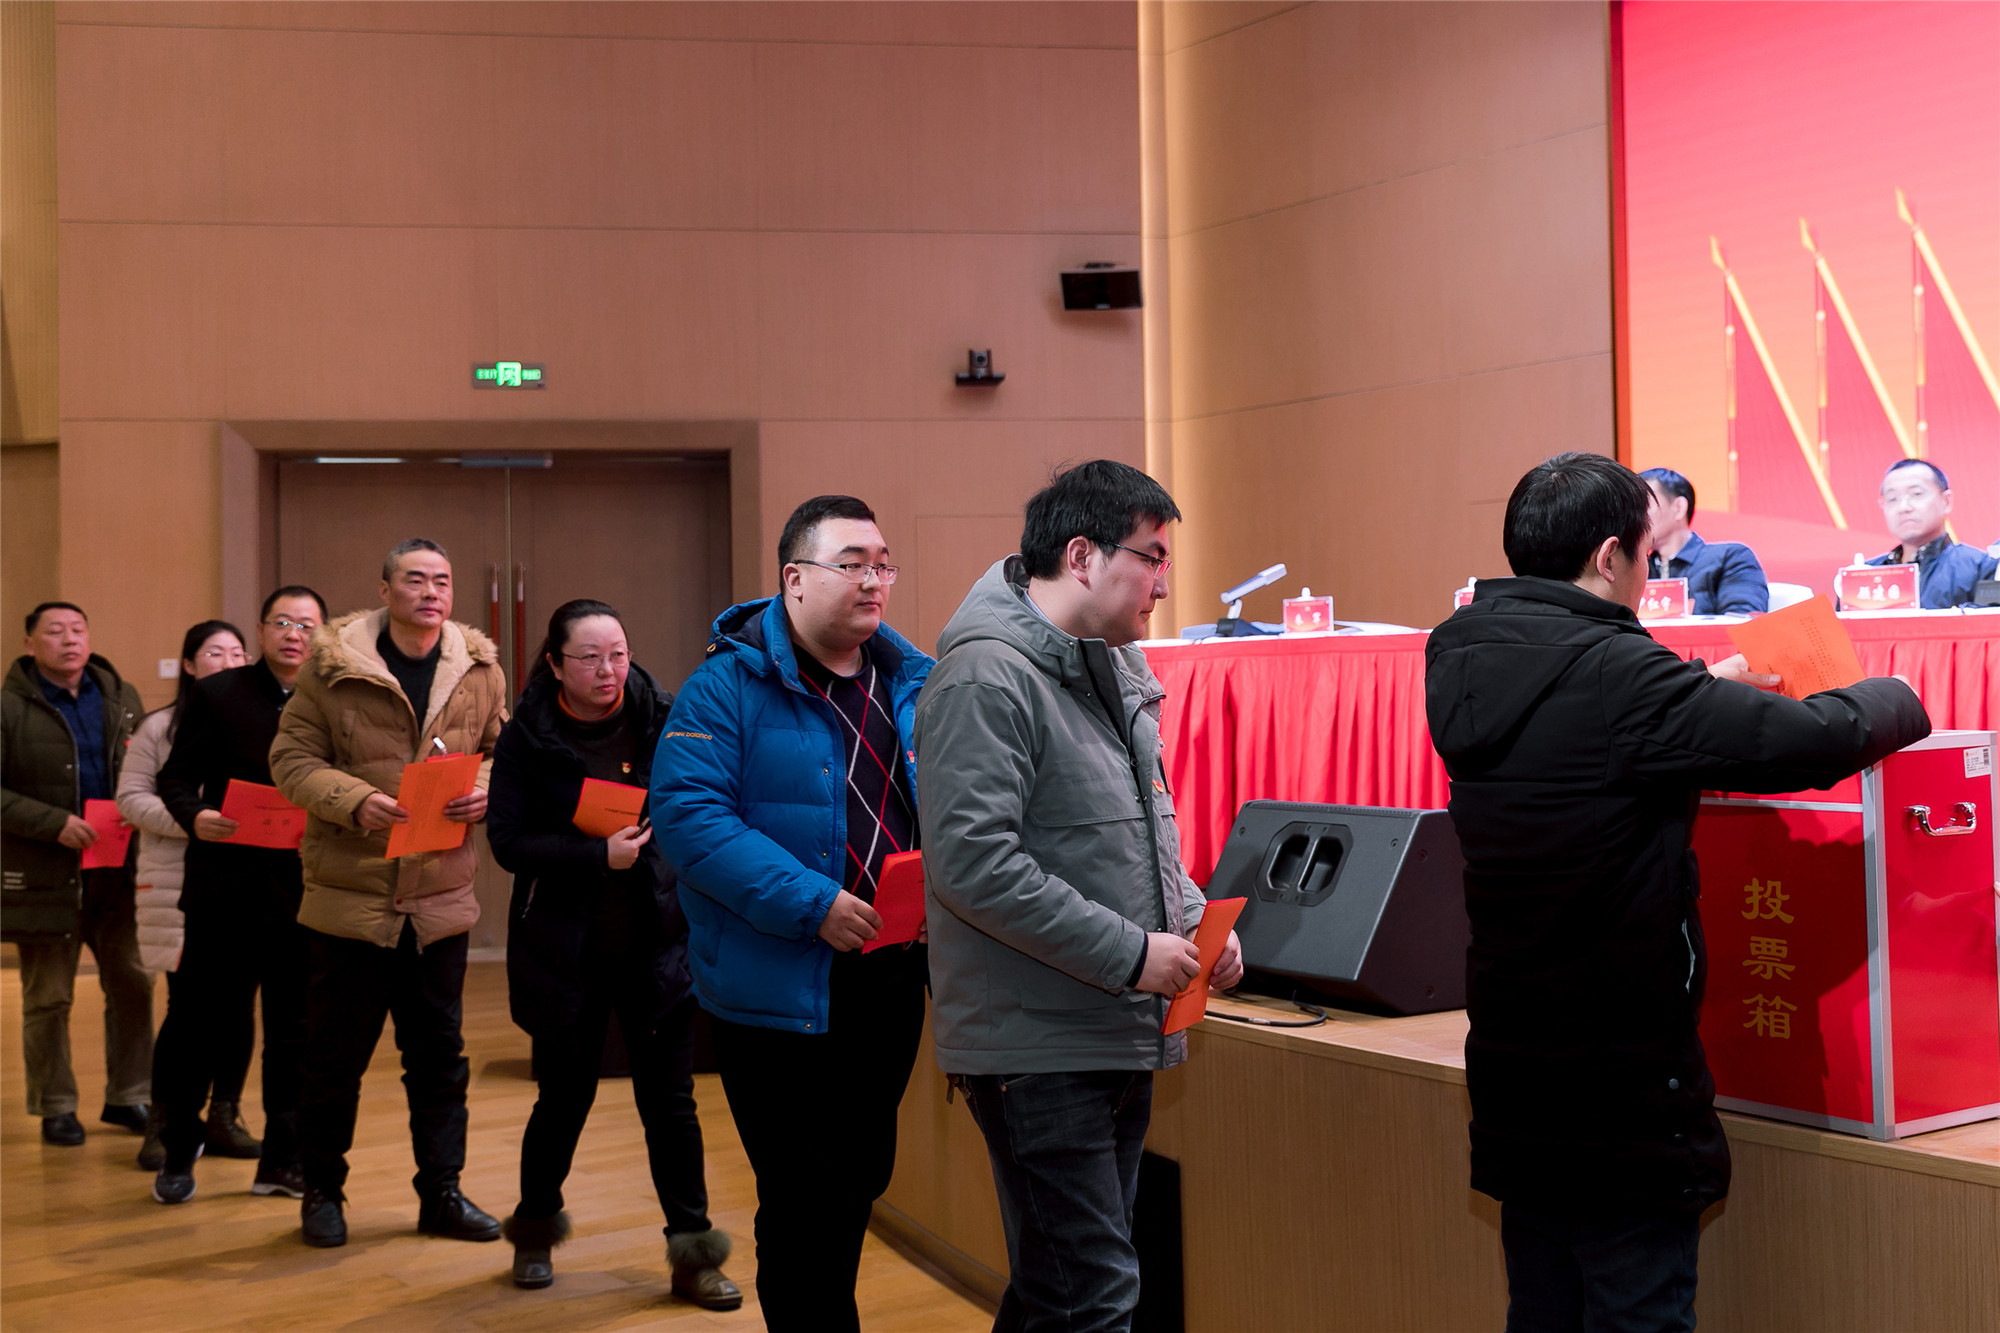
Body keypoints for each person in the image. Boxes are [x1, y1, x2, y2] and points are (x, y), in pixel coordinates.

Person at [1424, 452, 1931, 1332]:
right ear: (1610, 556)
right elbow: (1808, 740)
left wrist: (1696, 688)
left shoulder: (1459, 650)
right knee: (1638, 1310)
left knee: (1544, 1305)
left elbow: (1585, 728)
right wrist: (1896, 693)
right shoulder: (1621, 674)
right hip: (1618, 1066)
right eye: (1647, 556)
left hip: (1513, 1047)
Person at [914, 459, 1237, 1333]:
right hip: (1037, 1041)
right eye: (1152, 558)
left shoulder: (1113, 667)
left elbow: (1131, 830)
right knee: (1092, 1298)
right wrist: (1133, 953)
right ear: (1084, 555)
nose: (1164, 583)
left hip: (1106, 1026)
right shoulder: (985, 676)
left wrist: (1192, 916)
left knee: (1056, 1288)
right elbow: (974, 864)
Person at [651, 495, 931, 1333]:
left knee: (858, 1178)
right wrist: (814, 904)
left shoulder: (911, 681)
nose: (873, 579)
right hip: (778, 988)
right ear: (794, 578)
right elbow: (688, 818)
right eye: (851, 563)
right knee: (801, 1193)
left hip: (889, 974)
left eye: (882, 563)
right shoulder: (724, 686)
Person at [487, 599, 739, 1307]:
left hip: (656, 943)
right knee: (563, 1100)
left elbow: (706, 803)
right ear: (554, 663)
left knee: (671, 1106)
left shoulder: (667, 718)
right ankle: (535, 1230)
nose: (608, 670)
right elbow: (507, 841)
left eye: (619, 654)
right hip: (565, 951)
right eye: (590, 658)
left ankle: (693, 1252)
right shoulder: (527, 736)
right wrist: (595, 855)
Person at [269, 540, 507, 1248]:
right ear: (384, 589)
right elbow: (291, 758)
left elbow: (505, 753)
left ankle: (442, 1193)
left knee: (439, 1061)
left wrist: (485, 788)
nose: (431, 592)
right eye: (415, 579)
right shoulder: (332, 666)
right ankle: (321, 1191)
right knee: (333, 1060)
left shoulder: (479, 670)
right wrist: (352, 800)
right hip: (352, 900)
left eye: (442, 580)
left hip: (438, 900)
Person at [149, 588, 327, 1207]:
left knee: (294, 1032)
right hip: (223, 887)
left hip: (303, 890)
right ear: (262, 630)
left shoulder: (332, 698)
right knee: (199, 1024)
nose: (294, 634)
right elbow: (174, 777)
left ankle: (283, 1160)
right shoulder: (219, 693)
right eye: (283, 622)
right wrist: (195, 815)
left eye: (307, 625)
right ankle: (178, 1151)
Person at [1, 602, 153, 1147]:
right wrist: (54, 824)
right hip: (47, 874)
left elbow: (143, 768)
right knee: (49, 997)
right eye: (55, 631)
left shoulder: (121, 696)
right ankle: (55, 1105)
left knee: (133, 985)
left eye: (77, 629)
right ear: (30, 644)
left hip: (118, 871)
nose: (69, 640)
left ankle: (130, 1095)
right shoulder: (8, 708)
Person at [117, 618, 252, 1171]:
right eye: (215, 653)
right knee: (188, 1008)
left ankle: (225, 1115)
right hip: (177, 880)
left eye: (238, 653)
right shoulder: (160, 726)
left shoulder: (261, 719)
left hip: (246, 880)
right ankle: (167, 1123)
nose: (229, 662)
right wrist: (194, 819)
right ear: (190, 666)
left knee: (240, 1005)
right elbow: (131, 798)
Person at [1866, 458, 1999, 608]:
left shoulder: (1982, 568)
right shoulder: (1863, 575)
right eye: (1893, 499)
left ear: (1946, 501)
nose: (1904, 507)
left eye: (1916, 494)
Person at [1639, 467, 1769, 615]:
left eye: (1644, 505)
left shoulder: (1730, 558)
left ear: (1679, 508)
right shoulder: (1636, 569)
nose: (1636, 516)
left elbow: (1743, 620)